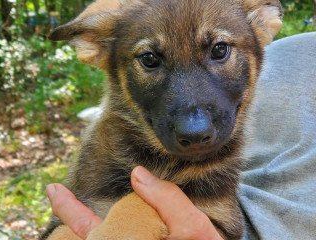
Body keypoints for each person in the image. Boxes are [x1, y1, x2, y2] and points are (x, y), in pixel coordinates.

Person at [46, 32, 316, 239]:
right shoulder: (282, 55)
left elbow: (224, 220)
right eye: (150, 60)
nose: (196, 128)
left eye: (219, 51)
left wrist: (137, 215)